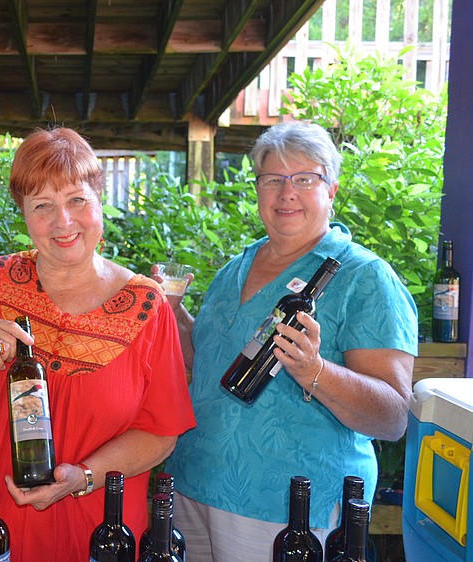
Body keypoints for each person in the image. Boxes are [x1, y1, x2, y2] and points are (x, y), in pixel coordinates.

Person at [0, 127, 196, 562]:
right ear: (24, 214)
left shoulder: (147, 307)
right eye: (42, 206)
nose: (63, 222)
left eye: (76, 200)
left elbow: (161, 433)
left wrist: (82, 476)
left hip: (96, 533)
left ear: (100, 199)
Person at [162, 121, 418, 560]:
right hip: (191, 485)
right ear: (258, 189)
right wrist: (173, 313)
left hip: (286, 509)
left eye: (305, 179)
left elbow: (393, 416)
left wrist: (314, 371)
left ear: (332, 189)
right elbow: (206, 360)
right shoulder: (236, 267)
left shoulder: (364, 277)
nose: (287, 193)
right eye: (273, 180)